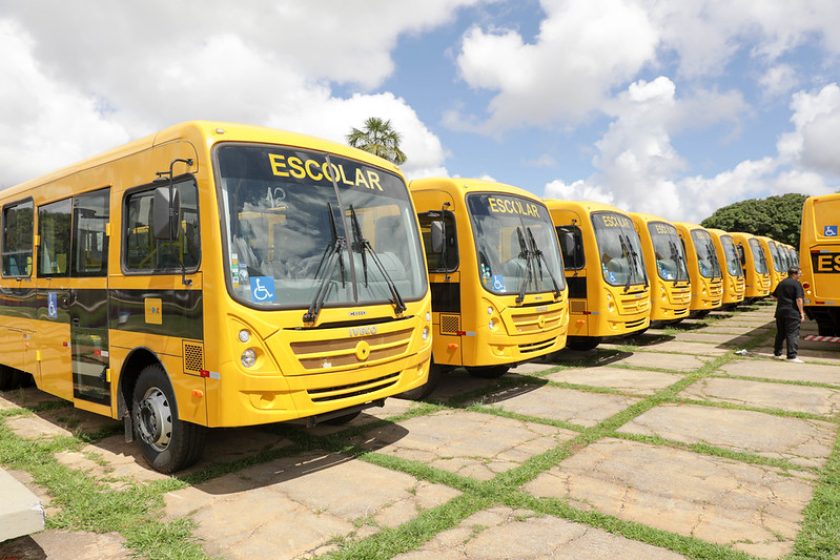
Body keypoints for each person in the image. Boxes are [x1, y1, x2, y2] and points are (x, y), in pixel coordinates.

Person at [772, 267, 806, 363]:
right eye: (799, 273)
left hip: (780, 312)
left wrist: (783, 302)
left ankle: (777, 353)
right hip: (792, 312)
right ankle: (791, 356)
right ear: (794, 274)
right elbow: (799, 299)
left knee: (780, 333)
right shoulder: (796, 284)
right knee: (792, 334)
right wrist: (801, 313)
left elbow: (773, 296)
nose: (801, 275)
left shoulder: (782, 283)